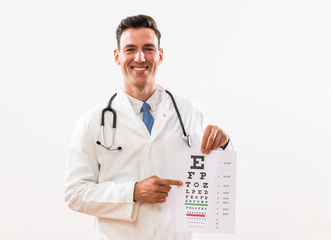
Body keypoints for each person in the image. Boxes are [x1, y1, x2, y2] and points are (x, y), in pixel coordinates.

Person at [64, 14, 231, 240]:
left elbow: (217, 175)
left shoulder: (188, 111)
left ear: (160, 55)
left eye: (149, 49)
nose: (140, 58)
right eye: (130, 49)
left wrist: (224, 145)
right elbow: (75, 193)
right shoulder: (92, 122)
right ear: (117, 56)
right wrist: (133, 192)